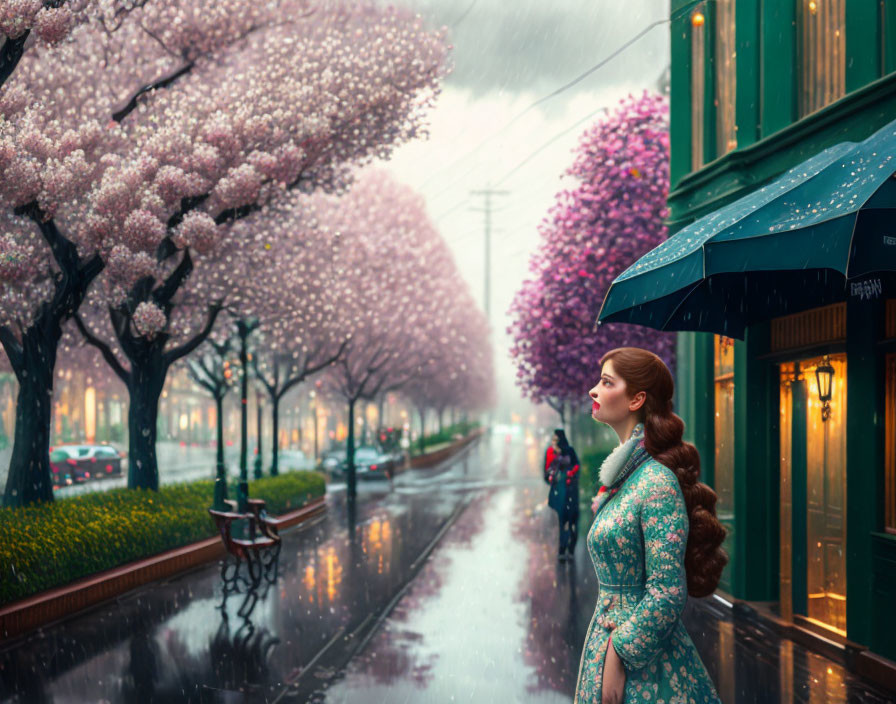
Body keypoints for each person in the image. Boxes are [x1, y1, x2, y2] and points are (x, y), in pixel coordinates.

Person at [574, 347, 727, 704]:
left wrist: (620, 653)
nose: (593, 391)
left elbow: (668, 590)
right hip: (607, 642)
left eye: (606, 382)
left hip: (643, 666)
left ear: (637, 399)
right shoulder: (625, 478)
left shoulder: (655, 482)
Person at [543, 428, 580, 562]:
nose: (553, 442)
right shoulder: (550, 453)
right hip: (559, 492)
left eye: (556, 439)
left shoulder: (569, 450)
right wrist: (551, 477)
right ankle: (562, 549)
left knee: (573, 521)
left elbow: (577, 465)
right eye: (553, 439)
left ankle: (570, 548)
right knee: (562, 521)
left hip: (571, 490)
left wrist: (571, 473)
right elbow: (546, 474)